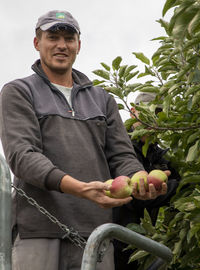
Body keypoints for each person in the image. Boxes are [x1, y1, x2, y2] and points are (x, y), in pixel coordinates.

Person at [0, 11, 168, 270]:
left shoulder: (102, 99)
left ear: (79, 44)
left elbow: (122, 157)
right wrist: (79, 188)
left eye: (69, 38)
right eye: (52, 37)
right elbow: (23, 156)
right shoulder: (19, 91)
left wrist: (140, 180)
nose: (61, 45)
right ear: (37, 43)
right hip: (39, 232)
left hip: (96, 234)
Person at [113, 92, 181, 270]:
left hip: (140, 245)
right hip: (114, 242)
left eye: (159, 115)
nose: (153, 121)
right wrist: (176, 187)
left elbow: (179, 179)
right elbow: (136, 196)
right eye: (147, 113)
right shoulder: (121, 149)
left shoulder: (158, 153)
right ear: (132, 111)